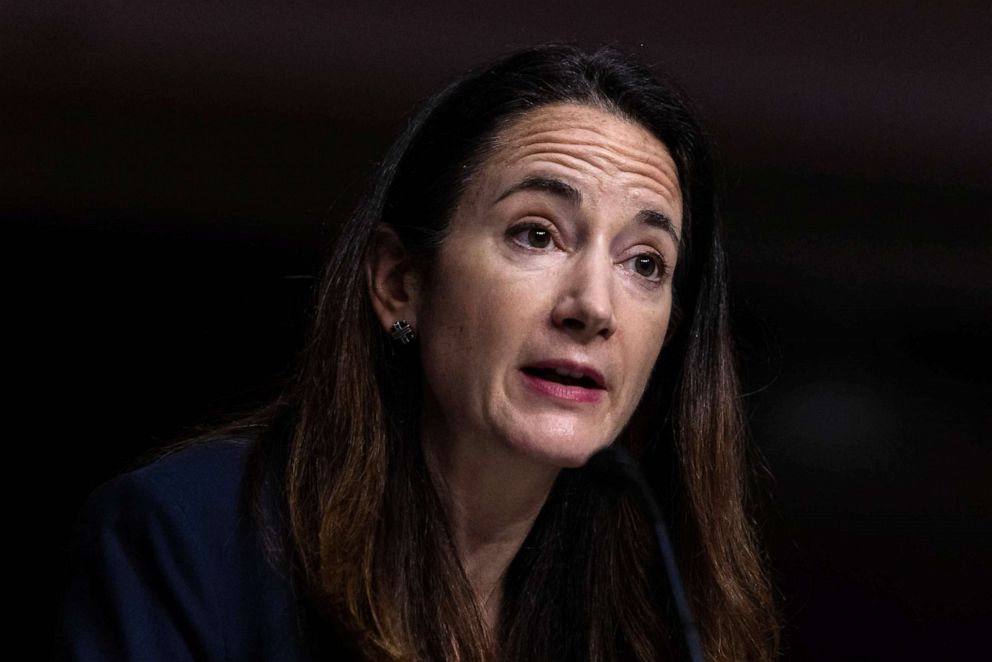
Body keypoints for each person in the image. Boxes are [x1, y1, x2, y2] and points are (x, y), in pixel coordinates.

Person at [58, 43, 780, 661]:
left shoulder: (660, 615)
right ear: (400, 283)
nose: (593, 306)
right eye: (536, 233)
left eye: (646, 263)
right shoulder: (190, 540)